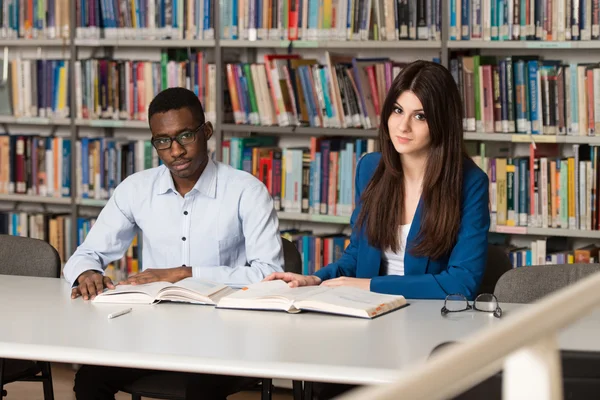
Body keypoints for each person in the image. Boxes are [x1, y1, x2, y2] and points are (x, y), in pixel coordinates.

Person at [265, 59, 490, 399]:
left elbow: (462, 283)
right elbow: (357, 255)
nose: (403, 126)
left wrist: (369, 286)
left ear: (441, 122)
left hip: (430, 329)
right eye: (398, 110)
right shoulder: (371, 169)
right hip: (369, 323)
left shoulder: (469, 183)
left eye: (420, 116)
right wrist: (316, 279)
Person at [64, 87, 284, 400]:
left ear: (206, 131)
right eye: (163, 141)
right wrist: (86, 273)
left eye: (185, 136)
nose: (175, 151)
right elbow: (88, 253)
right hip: (153, 330)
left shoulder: (246, 191)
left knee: (200, 388)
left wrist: (183, 273)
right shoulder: (136, 189)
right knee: (89, 380)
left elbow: (269, 274)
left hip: (225, 333)